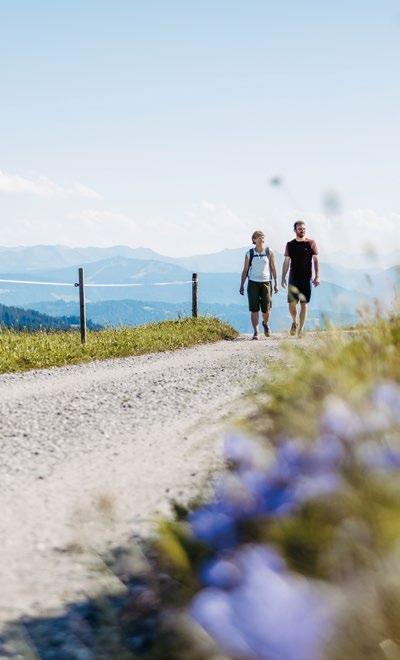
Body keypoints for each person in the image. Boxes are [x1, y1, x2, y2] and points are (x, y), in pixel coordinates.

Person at [281, 221, 320, 337]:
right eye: (300, 229)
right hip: (293, 278)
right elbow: (286, 261)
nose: (302, 230)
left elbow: (316, 260)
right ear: (295, 230)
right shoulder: (290, 244)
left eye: (303, 228)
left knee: (304, 304)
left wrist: (317, 276)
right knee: (291, 304)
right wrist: (283, 277)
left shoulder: (311, 243)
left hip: (306, 279)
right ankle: (295, 322)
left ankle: (301, 329)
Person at [239, 230, 278, 340]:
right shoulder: (249, 253)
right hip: (253, 283)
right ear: (254, 240)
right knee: (254, 309)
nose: (261, 238)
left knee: (266, 309)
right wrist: (242, 285)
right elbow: (245, 270)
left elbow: (273, 268)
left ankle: (265, 323)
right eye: (259, 237)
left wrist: (276, 283)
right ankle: (256, 332)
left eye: (263, 237)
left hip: (266, 282)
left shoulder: (269, 252)